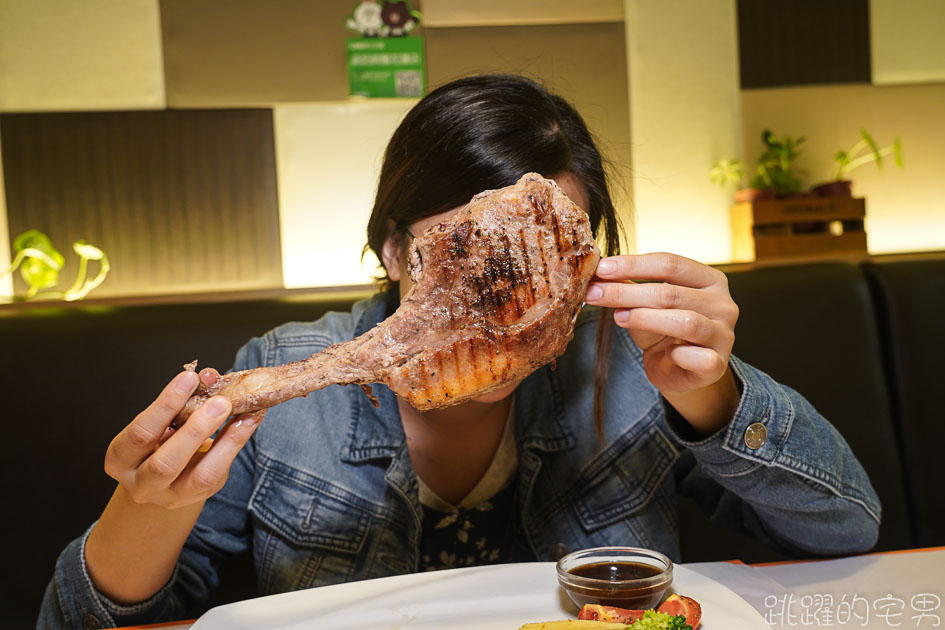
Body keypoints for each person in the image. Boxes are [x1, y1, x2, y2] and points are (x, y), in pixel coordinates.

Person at [38, 74, 880, 629]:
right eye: (458, 261)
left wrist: (716, 396)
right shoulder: (288, 377)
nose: (499, 313)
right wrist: (147, 506)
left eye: (540, 269)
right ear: (396, 251)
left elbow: (846, 536)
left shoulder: (628, 367)